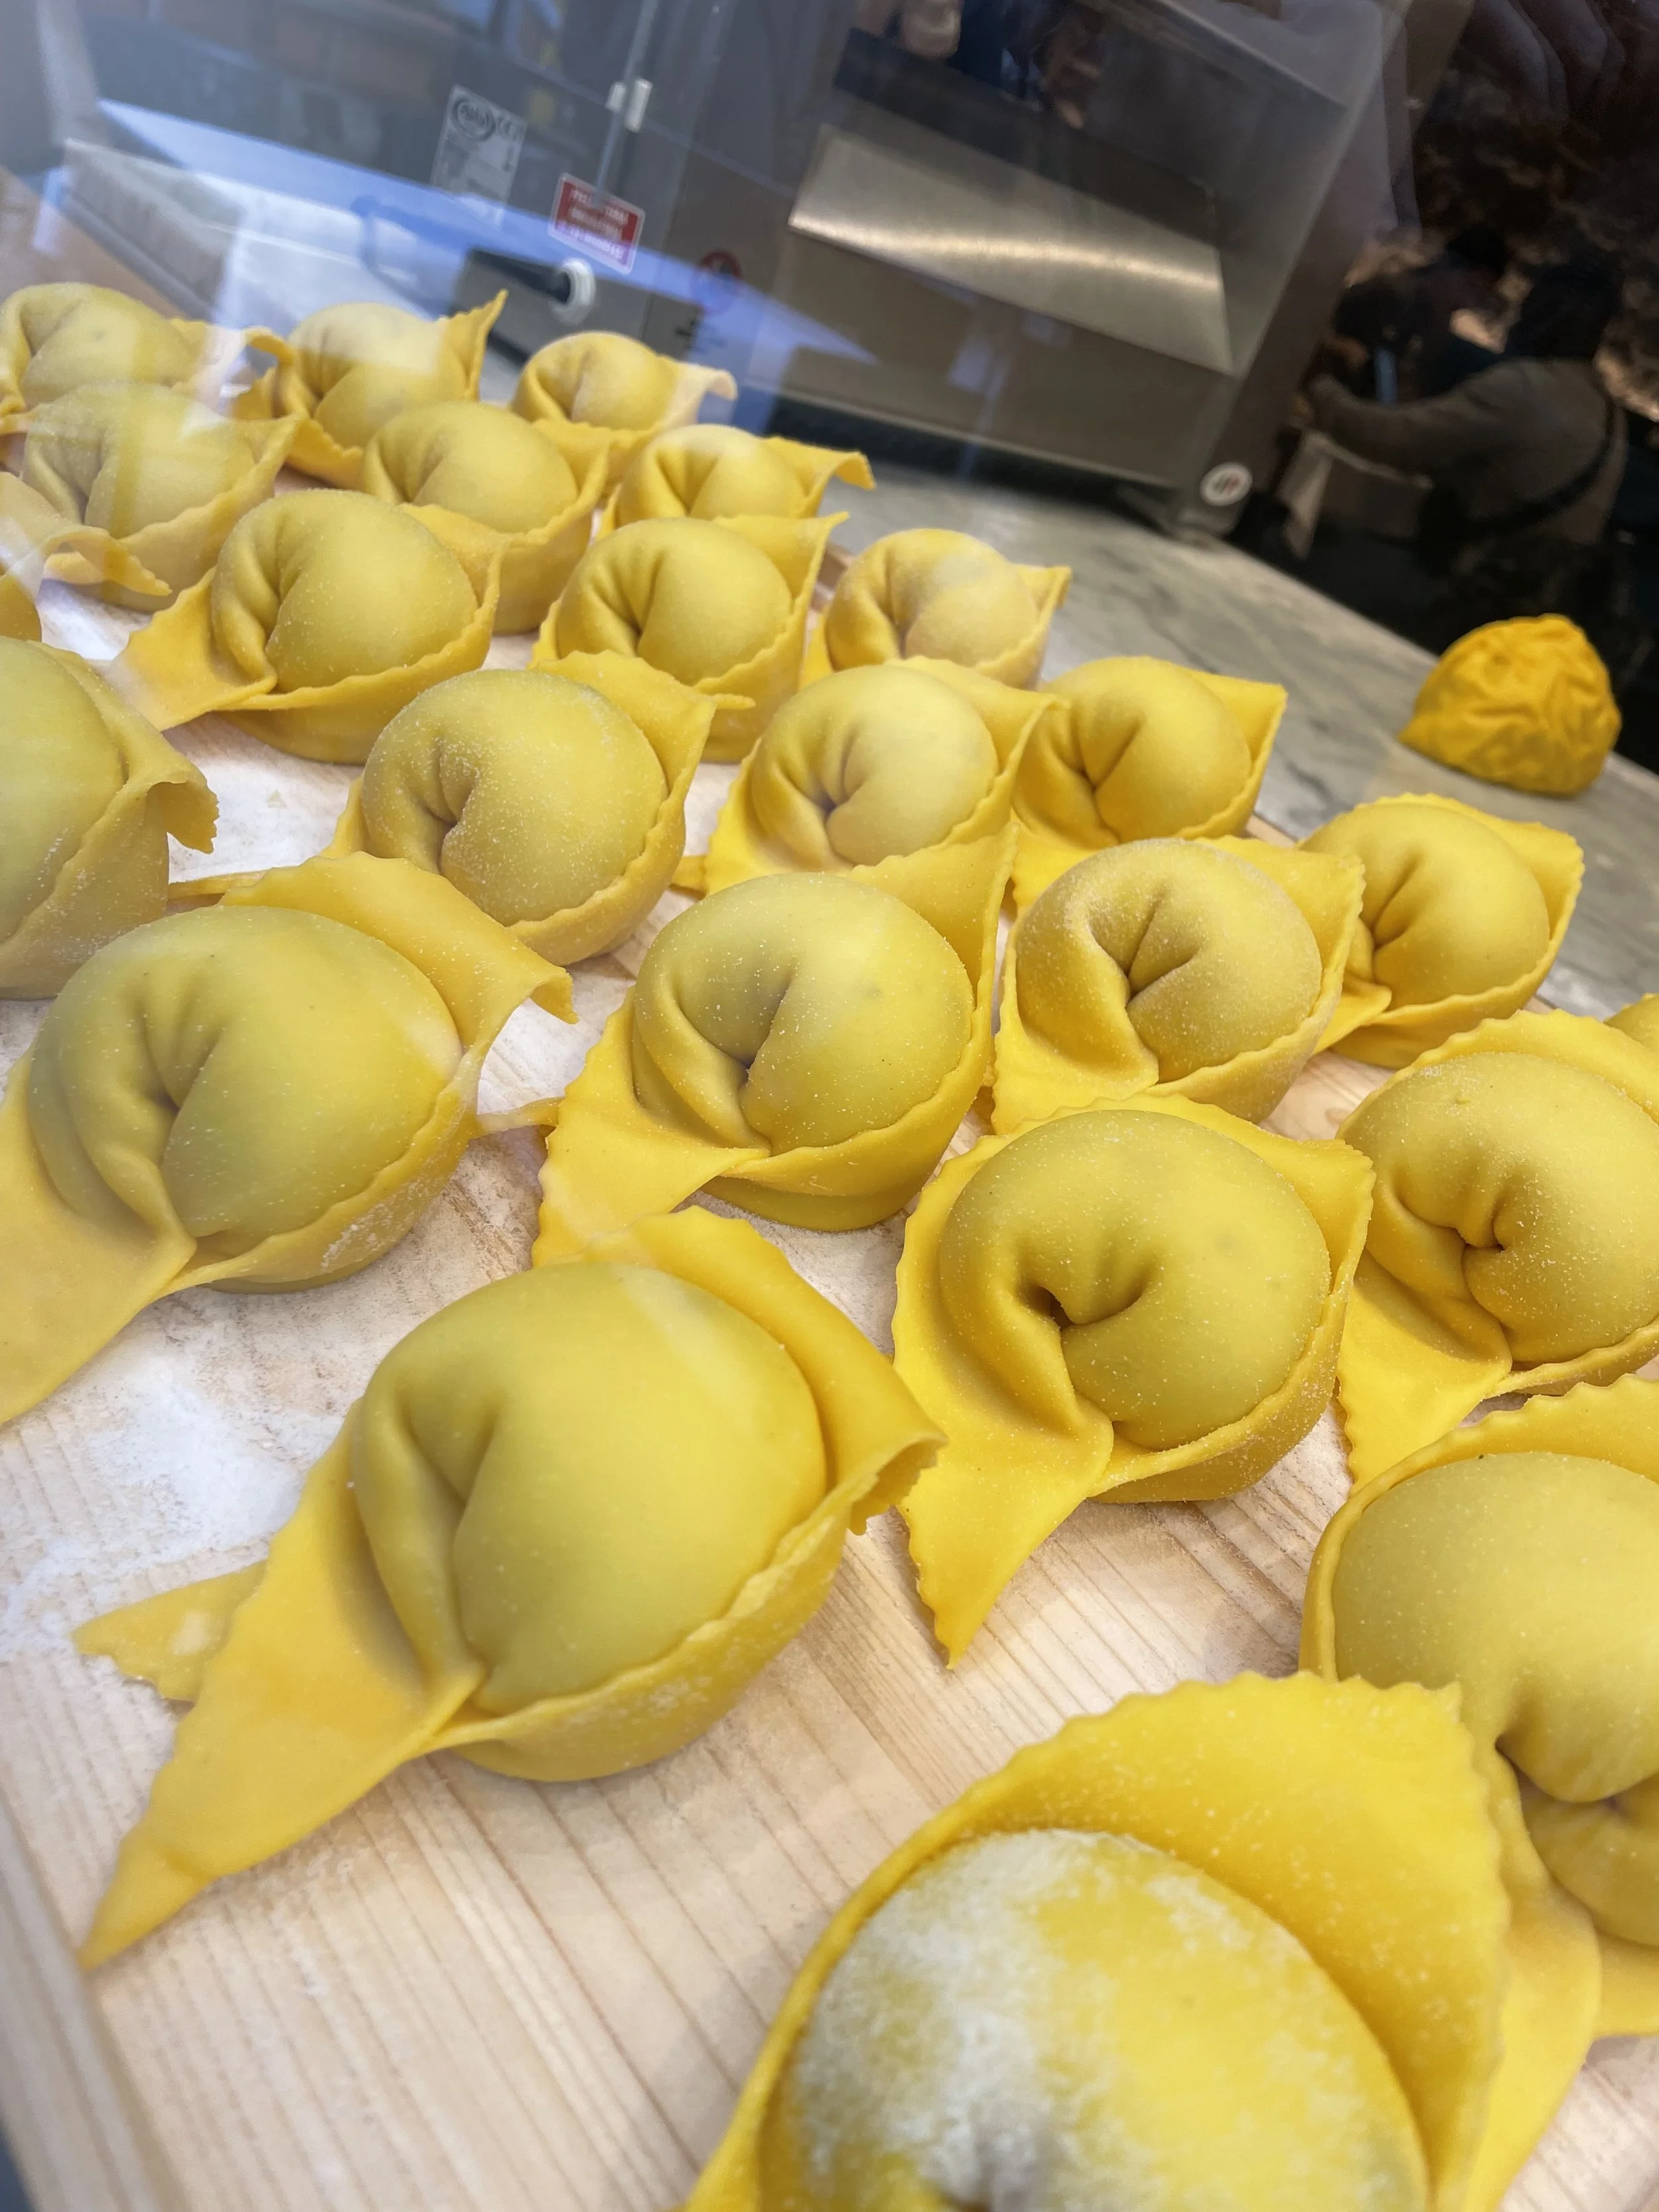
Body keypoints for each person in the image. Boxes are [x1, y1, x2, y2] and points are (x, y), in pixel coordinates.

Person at [1306, 254, 1628, 650]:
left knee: (1316, 554)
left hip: (1468, 598)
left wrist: (1319, 384)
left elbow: (1388, 438)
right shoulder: (1611, 413)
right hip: (1534, 622)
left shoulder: (1524, 388)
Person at [1329, 226, 1510, 398]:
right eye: (1470, 286)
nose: (1467, 302)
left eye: (1480, 295)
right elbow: (1322, 327)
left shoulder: (1439, 325)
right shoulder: (1391, 294)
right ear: (1446, 264)